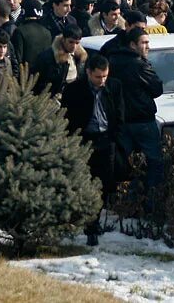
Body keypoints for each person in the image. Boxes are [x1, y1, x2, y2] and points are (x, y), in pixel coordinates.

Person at [61, 54, 123, 246]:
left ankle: (94, 218)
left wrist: (115, 136)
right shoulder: (74, 90)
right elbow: (67, 117)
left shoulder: (114, 86)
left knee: (104, 183)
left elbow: (119, 113)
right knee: (84, 182)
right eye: (98, 77)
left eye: (104, 76)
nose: (101, 81)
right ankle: (89, 225)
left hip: (106, 139)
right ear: (88, 72)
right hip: (84, 140)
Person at [108, 28, 164, 192]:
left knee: (128, 165)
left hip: (121, 121)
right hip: (142, 121)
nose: (148, 47)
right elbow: (157, 89)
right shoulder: (139, 64)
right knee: (154, 163)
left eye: (148, 42)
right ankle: (151, 204)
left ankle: (130, 201)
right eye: (144, 43)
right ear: (132, 45)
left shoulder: (112, 60)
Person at [31, 25, 86, 96]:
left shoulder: (79, 57)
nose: (74, 46)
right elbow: (38, 81)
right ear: (63, 40)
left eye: (77, 43)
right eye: (71, 42)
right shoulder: (48, 57)